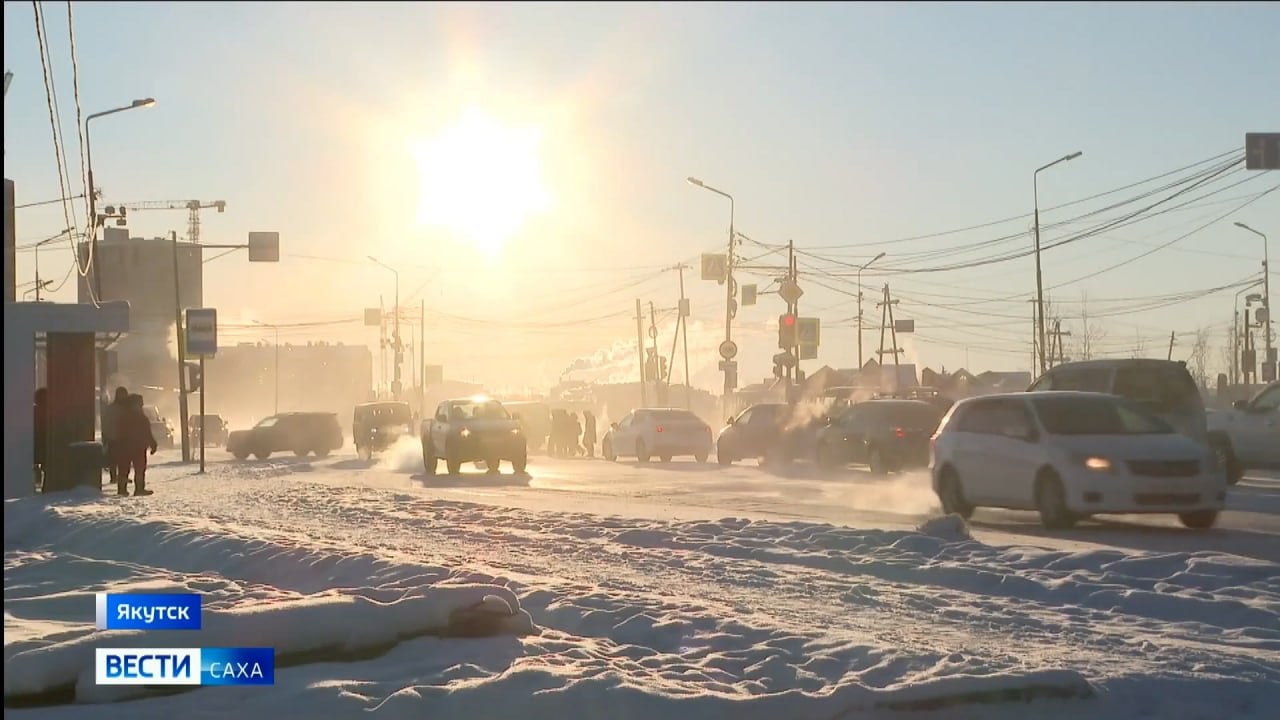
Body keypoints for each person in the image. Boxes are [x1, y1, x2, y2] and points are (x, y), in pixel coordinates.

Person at [117, 394, 157, 496]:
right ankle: (139, 489)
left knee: (124, 469)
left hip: (125, 447)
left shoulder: (123, 416)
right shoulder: (141, 417)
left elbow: (119, 432)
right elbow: (147, 432)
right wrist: (153, 444)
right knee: (139, 468)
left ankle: (122, 489)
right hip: (138, 447)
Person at [101, 387, 129, 487]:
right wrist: (106, 435)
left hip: (124, 437)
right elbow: (106, 423)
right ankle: (114, 477)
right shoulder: (113, 408)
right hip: (113, 437)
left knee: (123, 460)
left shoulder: (127, 408)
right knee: (114, 459)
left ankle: (122, 477)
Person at [34, 388, 48, 491]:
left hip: (35, 441)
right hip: (45, 441)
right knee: (46, 464)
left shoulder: (33, 411)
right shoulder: (49, 412)